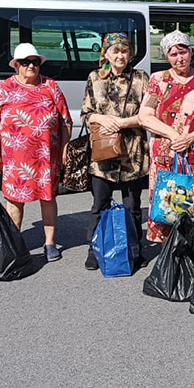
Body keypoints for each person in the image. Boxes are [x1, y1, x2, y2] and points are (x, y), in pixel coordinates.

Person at [0, 43, 71, 261]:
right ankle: (15, 243)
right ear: (16, 65)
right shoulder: (5, 88)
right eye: (26, 62)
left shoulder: (51, 86)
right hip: (15, 159)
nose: (31, 66)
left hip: (46, 157)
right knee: (15, 200)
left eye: (35, 62)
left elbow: (66, 121)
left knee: (48, 198)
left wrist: (64, 149)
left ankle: (50, 243)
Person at [139, 30, 194, 243]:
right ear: (167, 56)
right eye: (173, 54)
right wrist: (174, 135)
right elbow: (144, 116)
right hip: (166, 153)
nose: (179, 58)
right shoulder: (158, 79)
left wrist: (191, 137)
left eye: (183, 52)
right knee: (165, 200)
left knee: (193, 199)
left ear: (191, 51)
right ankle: (169, 250)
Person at [80, 33, 150, 270]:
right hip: (103, 153)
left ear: (130, 53)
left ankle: (133, 248)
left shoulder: (141, 79)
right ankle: (95, 248)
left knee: (132, 206)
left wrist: (122, 123)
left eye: (124, 51)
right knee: (99, 204)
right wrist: (103, 118)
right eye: (115, 51)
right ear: (106, 54)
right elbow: (86, 114)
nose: (120, 55)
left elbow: (148, 115)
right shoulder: (94, 78)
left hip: (133, 153)